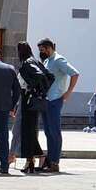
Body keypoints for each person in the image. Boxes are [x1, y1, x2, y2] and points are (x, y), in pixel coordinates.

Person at [38, 38, 80, 173]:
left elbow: (74, 73)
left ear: (49, 48)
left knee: (54, 131)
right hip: (46, 99)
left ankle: (55, 162)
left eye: (42, 49)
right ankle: (49, 160)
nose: (41, 52)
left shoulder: (58, 60)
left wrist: (68, 92)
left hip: (55, 99)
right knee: (48, 132)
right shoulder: (47, 61)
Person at [17, 41, 53, 173]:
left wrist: (33, 89)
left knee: (27, 131)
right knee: (29, 131)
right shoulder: (36, 61)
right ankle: (32, 160)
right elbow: (50, 76)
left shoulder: (27, 63)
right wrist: (42, 91)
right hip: (34, 99)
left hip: (29, 99)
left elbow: (40, 75)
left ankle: (31, 161)